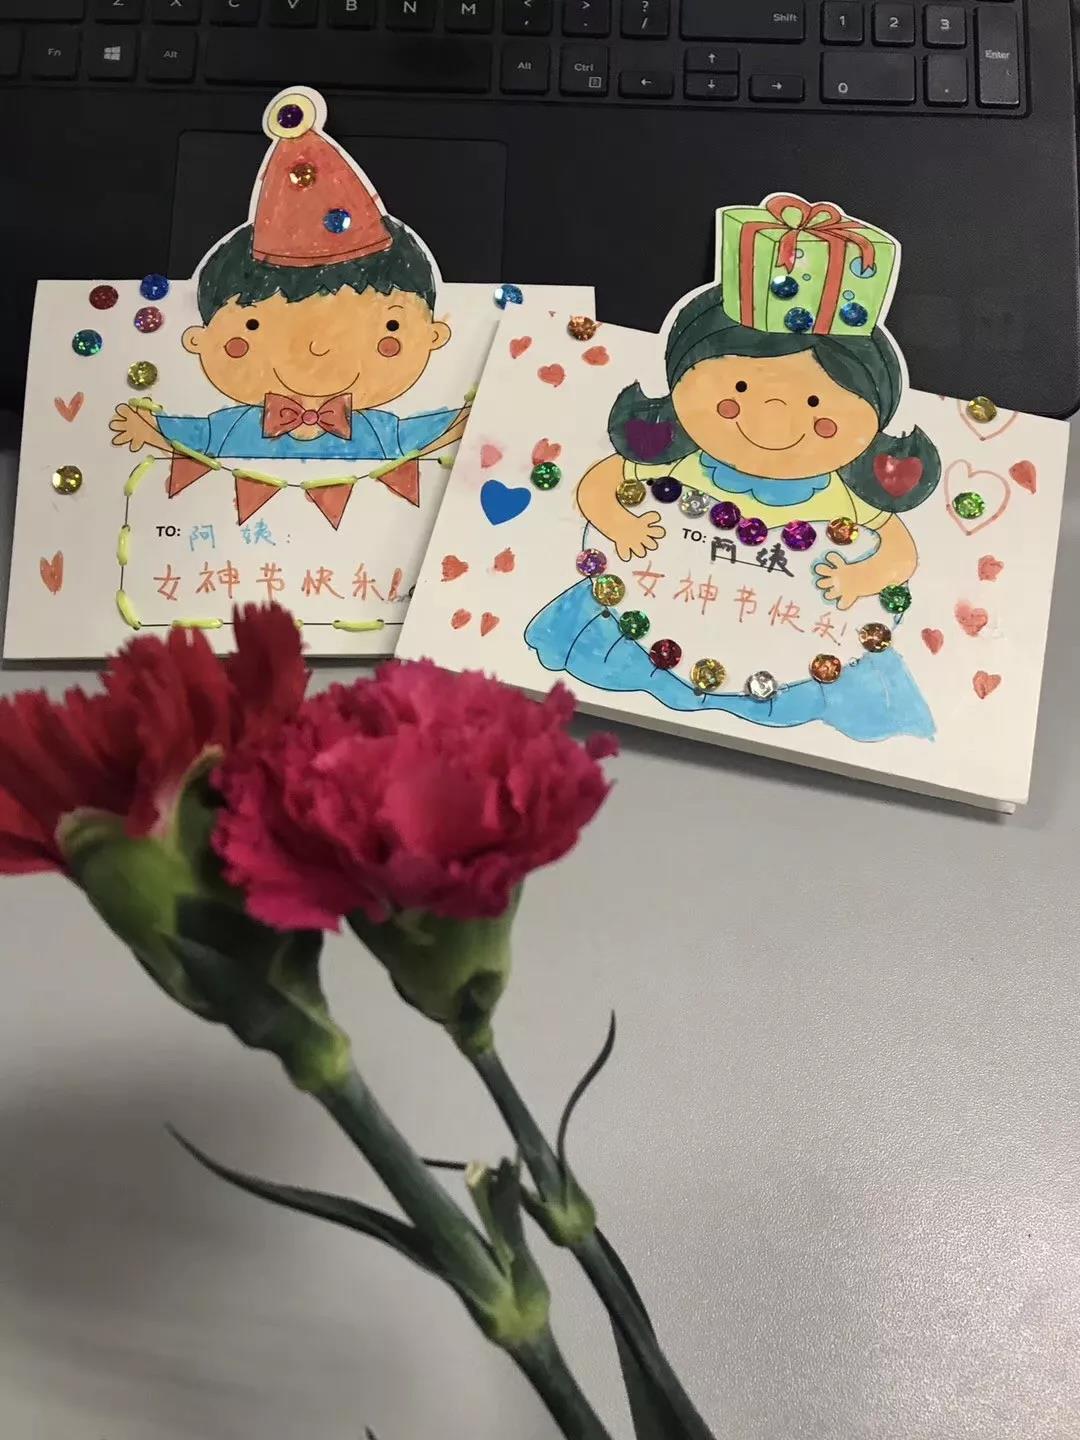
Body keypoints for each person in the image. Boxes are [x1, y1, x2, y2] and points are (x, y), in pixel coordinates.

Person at [526, 282, 941, 742]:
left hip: (796, 649)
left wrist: (862, 578)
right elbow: (600, 483)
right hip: (645, 612)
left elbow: (900, 552)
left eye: (814, 403)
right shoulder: (675, 460)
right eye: (740, 387)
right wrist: (620, 524)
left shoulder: (846, 498)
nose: (773, 416)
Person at [109, 88, 466, 507]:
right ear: (199, 340)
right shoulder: (235, 428)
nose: (318, 347)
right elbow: (197, 436)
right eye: (253, 324)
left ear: (433, 335)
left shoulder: (374, 430)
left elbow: (417, 435)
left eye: (388, 326)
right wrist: (150, 429)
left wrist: (479, 411)